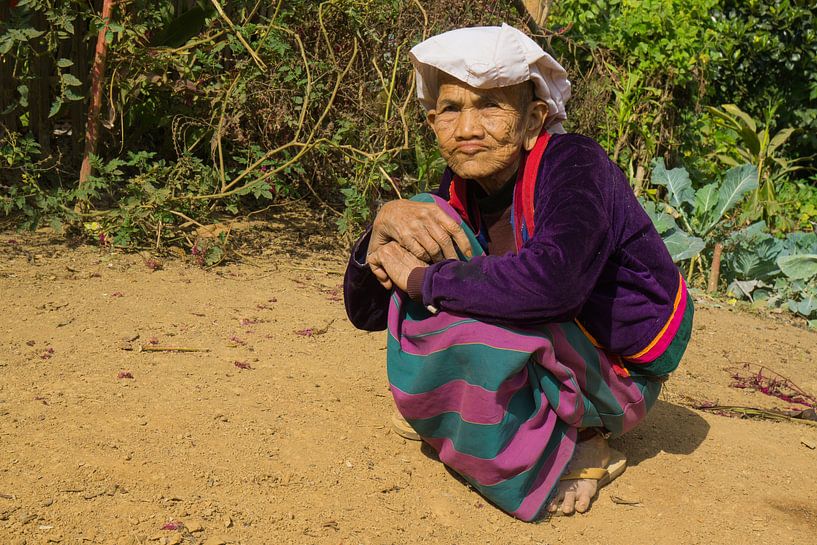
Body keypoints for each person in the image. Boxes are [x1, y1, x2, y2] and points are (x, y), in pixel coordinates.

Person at [343, 24, 692, 521]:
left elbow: (555, 285)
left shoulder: (575, 165)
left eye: (490, 106)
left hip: (616, 373)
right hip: (558, 339)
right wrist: (382, 226)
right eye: (451, 110)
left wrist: (424, 280)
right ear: (432, 123)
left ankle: (579, 440)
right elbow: (368, 312)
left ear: (533, 121)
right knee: (419, 218)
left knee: (471, 306)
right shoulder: (462, 183)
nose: (467, 129)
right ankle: (464, 415)